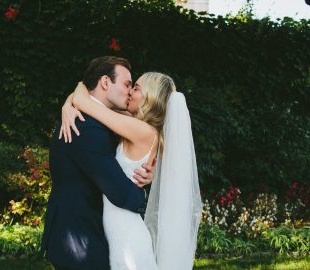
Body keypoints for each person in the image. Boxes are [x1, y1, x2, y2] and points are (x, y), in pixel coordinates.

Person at [61, 70, 203, 269]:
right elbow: (84, 93)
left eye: (136, 88)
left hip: (126, 237)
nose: (129, 92)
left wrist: (70, 104)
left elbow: (83, 100)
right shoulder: (136, 124)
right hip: (120, 232)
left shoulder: (142, 131)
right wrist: (68, 105)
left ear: (150, 98)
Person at [41, 56, 155, 270]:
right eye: (127, 84)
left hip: (85, 231)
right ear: (104, 82)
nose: (130, 91)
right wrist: (144, 194)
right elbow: (119, 191)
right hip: (80, 238)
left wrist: (70, 101)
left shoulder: (91, 117)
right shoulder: (85, 126)